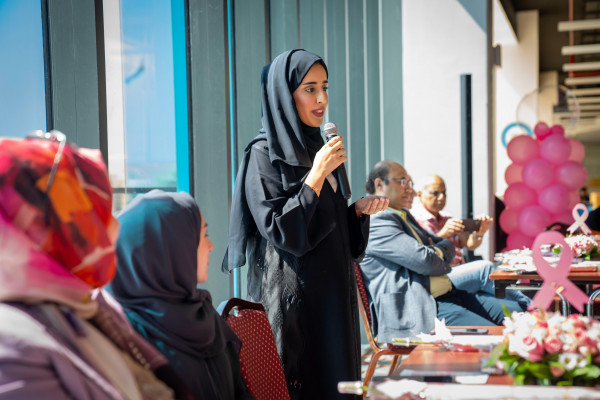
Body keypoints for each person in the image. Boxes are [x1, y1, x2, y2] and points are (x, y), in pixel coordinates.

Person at [222, 49, 388, 400]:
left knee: (337, 384)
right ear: (285, 94)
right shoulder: (262, 155)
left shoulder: (322, 148)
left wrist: (355, 213)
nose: (322, 99)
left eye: (324, 87)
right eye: (309, 89)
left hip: (333, 295)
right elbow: (281, 230)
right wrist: (315, 175)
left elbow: (325, 223)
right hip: (295, 301)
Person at [0, 135, 185, 399]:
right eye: (95, 215)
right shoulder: (12, 353)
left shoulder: (93, 306)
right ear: (44, 229)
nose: (115, 227)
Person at [106, 190, 254, 400]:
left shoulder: (203, 313)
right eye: (203, 235)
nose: (211, 247)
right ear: (167, 248)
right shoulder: (125, 333)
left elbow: (239, 393)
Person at [361, 161, 525, 342]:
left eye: (409, 182)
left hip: (447, 295)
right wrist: (434, 252)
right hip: (421, 307)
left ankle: (537, 311)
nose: (410, 189)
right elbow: (425, 261)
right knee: (496, 339)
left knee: (518, 314)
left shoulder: (403, 215)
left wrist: (434, 251)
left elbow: (447, 246)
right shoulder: (376, 220)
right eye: (402, 181)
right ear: (379, 184)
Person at [412, 175, 530, 306]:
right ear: (419, 195)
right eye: (435, 193)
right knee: (485, 268)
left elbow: (469, 244)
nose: (441, 197)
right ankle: (532, 308)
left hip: (458, 273)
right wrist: (443, 233)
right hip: (439, 279)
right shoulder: (415, 220)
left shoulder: (447, 217)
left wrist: (479, 233)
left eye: (444, 192)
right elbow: (420, 255)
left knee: (505, 304)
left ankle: (524, 309)